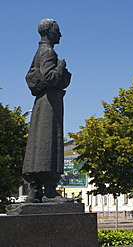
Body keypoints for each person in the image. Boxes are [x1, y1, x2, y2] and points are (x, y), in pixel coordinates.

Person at [23, 19, 72, 203]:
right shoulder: (49, 52)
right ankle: (50, 190)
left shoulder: (39, 52)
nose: (60, 35)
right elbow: (48, 77)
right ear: (49, 32)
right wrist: (60, 67)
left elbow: (33, 77)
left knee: (39, 141)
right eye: (57, 31)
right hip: (49, 103)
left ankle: (35, 190)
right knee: (50, 140)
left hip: (42, 103)